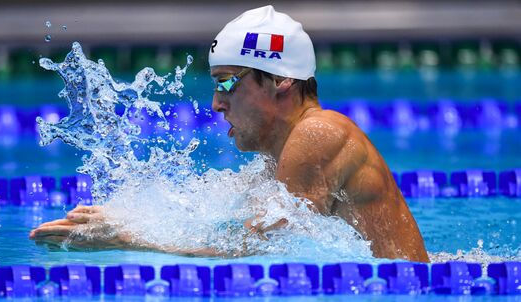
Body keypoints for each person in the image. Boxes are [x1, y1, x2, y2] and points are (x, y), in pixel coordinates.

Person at [30, 5, 429, 262]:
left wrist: (128, 239)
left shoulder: (319, 134)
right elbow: (230, 229)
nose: (216, 104)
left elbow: (257, 252)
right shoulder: (278, 158)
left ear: (279, 81)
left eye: (226, 83)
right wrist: (133, 218)